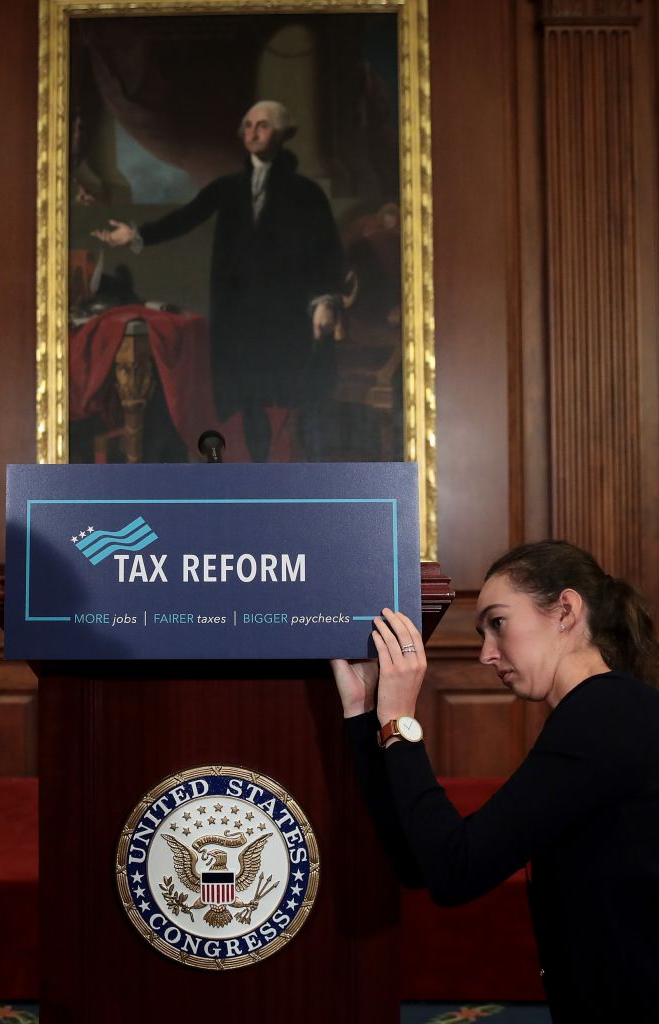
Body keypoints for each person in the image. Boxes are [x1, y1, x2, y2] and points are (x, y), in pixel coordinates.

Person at [331, 540, 659, 1022]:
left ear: (565, 610)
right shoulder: (602, 713)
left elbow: (455, 871)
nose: (486, 653)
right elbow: (419, 864)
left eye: (498, 623)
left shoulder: (604, 715)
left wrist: (400, 719)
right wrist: (365, 714)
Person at [95, 100, 345, 463]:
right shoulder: (229, 187)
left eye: (263, 126)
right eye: (248, 125)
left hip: (285, 314)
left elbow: (327, 249)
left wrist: (324, 301)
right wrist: (135, 235)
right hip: (239, 316)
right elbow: (185, 218)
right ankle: (258, 473)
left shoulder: (306, 192)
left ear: (283, 134)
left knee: (293, 396)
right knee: (248, 399)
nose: (253, 132)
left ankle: (299, 482)